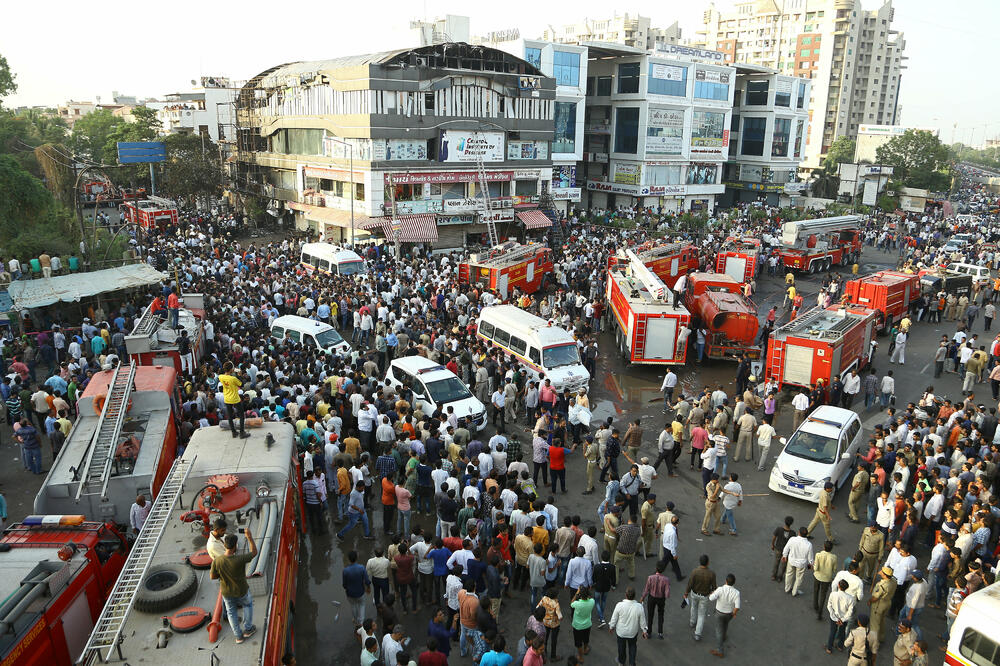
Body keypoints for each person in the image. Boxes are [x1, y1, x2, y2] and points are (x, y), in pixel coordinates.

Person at [209, 528, 257, 644]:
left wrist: (223, 577)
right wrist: (249, 537)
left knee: (231, 613)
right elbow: (254, 552)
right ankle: (248, 629)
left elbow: (212, 577)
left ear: (225, 545)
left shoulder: (217, 561)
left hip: (226, 593)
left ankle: (238, 636)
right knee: (247, 606)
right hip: (241, 590)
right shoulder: (239, 559)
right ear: (235, 546)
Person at [608, 586, 647, 666]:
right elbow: (643, 621)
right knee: (632, 647)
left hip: (621, 632)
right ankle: (632, 663)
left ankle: (621, 662)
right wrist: (644, 631)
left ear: (626, 595)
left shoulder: (619, 605)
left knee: (621, 647)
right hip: (632, 632)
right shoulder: (639, 607)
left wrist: (611, 627)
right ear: (634, 596)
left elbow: (614, 618)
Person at [684, 554, 716, 641]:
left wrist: (686, 593)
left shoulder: (695, 571)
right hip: (704, 596)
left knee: (693, 607)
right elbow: (714, 588)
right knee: (701, 615)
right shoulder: (711, 574)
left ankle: (692, 622)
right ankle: (697, 634)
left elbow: (690, 584)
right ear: (708, 563)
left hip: (694, 594)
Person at [708, 573, 740, 658]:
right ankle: (724, 636)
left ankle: (720, 650)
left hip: (719, 613)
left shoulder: (720, 589)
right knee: (725, 624)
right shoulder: (737, 593)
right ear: (734, 582)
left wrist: (713, 593)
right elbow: (737, 607)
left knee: (719, 630)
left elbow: (711, 598)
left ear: (726, 581)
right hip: (729, 614)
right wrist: (734, 613)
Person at [218, 362, 250, 439]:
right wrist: (239, 375)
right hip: (235, 398)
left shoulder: (221, 377)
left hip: (227, 398)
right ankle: (242, 432)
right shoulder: (233, 378)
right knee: (241, 415)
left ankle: (234, 432)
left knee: (230, 416)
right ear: (231, 369)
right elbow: (241, 384)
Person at [640, 561, 670, 640]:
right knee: (660, 614)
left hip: (652, 598)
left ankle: (649, 632)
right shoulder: (666, 579)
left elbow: (646, 589)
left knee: (650, 614)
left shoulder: (650, 577)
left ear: (656, 568)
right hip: (661, 599)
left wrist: (642, 597)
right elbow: (667, 594)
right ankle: (660, 632)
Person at [825, 579, 856, 654]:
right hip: (844, 619)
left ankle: (829, 647)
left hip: (834, 617)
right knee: (842, 632)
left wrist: (835, 618)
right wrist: (842, 619)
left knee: (833, 631)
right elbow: (850, 612)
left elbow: (829, 606)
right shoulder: (850, 598)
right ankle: (840, 646)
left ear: (838, 586)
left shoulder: (833, 594)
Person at [342, 550, 372, 627]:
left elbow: (344, 584)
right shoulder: (361, 568)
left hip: (350, 593)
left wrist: (346, 588)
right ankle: (361, 621)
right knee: (362, 605)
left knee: (353, 606)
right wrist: (368, 588)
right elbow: (367, 580)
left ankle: (355, 620)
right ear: (356, 558)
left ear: (348, 559)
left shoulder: (345, 571)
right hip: (360, 592)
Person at [782, 527, 814, 596]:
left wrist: (784, 556)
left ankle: (787, 588)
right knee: (799, 578)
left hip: (791, 561)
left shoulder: (792, 539)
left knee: (789, 574)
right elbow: (810, 557)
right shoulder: (809, 545)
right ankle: (794, 592)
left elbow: (786, 548)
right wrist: (811, 564)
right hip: (801, 564)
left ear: (799, 533)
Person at [569, 586, 595, 661]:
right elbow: (590, 597)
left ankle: (580, 657)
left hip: (577, 626)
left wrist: (577, 593)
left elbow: (571, 603)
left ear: (580, 595)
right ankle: (585, 649)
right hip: (587, 624)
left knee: (578, 642)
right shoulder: (592, 602)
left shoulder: (577, 603)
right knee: (586, 639)